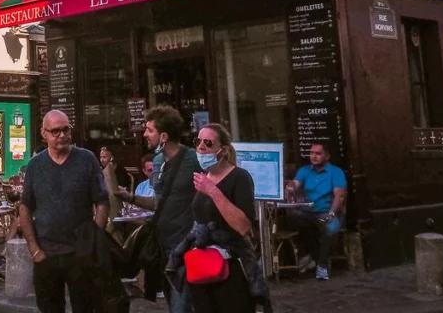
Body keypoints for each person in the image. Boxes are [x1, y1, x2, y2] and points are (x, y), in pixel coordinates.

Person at [19, 110, 109, 313]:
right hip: (46, 253)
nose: (62, 135)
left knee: (85, 307)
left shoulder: (86, 160)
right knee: (49, 308)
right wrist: (34, 248)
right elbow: (25, 207)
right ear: (44, 133)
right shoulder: (35, 165)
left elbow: (102, 202)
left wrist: (93, 241)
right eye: (56, 131)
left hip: (80, 254)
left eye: (66, 129)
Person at [182, 123, 267, 313]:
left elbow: (243, 226)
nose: (201, 147)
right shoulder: (204, 177)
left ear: (224, 150)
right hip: (202, 264)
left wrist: (213, 191)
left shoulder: (239, 177)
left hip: (231, 264)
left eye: (208, 142)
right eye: (198, 141)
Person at [141, 105, 201, 313]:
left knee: (180, 304)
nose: (144, 134)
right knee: (170, 299)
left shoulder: (194, 158)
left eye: (149, 130)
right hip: (161, 243)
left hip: (185, 242)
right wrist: (129, 197)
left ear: (164, 136)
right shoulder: (157, 161)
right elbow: (159, 201)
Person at [284, 141, 347, 280]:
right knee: (291, 217)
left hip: (328, 211)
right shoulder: (305, 171)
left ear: (327, 156)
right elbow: (296, 184)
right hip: (308, 212)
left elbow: (339, 196)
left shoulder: (336, 172)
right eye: (312, 153)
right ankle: (312, 256)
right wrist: (290, 187)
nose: (314, 156)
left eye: (318, 153)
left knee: (330, 228)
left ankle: (322, 265)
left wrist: (331, 214)